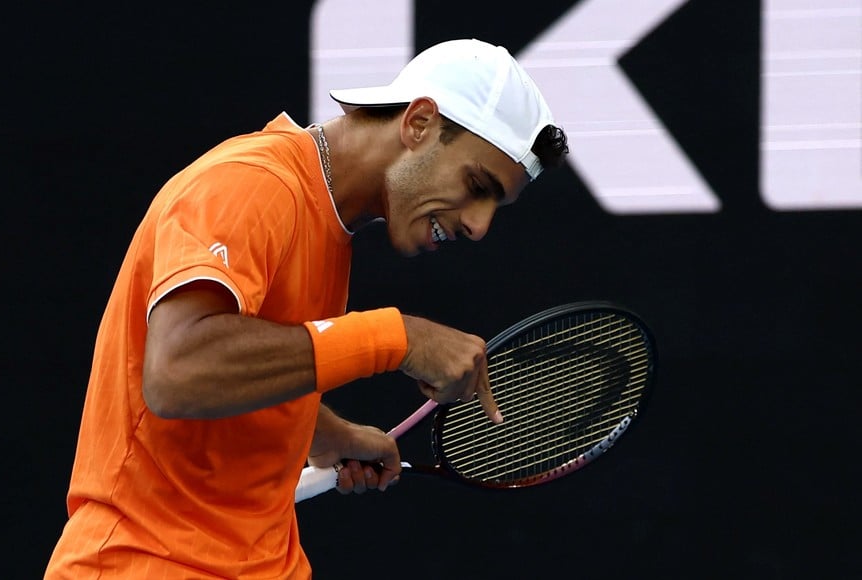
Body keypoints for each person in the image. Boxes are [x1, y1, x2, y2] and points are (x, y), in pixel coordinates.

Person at [45, 38, 569, 579]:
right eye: (476, 186)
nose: (479, 226)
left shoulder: (324, 220)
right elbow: (177, 371)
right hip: (144, 563)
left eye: (495, 206)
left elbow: (240, 376)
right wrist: (397, 338)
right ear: (418, 122)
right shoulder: (253, 183)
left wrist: (329, 436)